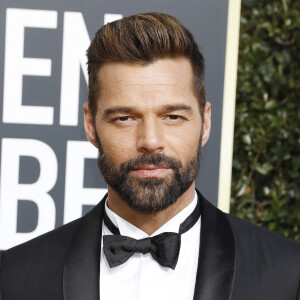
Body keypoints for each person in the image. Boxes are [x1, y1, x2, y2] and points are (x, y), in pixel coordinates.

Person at [0, 12, 299, 300]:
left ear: (205, 123)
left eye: (172, 116)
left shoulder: (287, 273)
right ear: (91, 126)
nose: (150, 142)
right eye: (125, 118)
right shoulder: (15, 276)